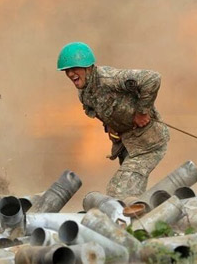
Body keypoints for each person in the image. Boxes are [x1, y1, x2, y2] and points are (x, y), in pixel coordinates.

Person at [57, 42, 169, 199]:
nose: (70, 74)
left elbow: (152, 78)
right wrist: (111, 126)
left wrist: (142, 112)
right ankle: (143, 219)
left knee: (120, 192)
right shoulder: (84, 93)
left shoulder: (109, 78)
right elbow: (103, 110)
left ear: (88, 67)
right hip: (128, 145)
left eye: (74, 68)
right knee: (132, 193)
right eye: (66, 70)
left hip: (148, 143)